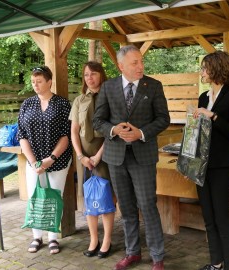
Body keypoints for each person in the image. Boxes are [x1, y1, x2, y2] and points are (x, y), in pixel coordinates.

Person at [93, 45, 170, 270]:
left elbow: (163, 118)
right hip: (116, 157)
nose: (140, 66)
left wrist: (141, 133)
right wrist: (114, 130)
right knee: (126, 208)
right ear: (121, 66)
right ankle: (132, 252)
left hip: (143, 156)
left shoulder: (153, 86)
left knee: (147, 205)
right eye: (135, 63)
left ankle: (157, 257)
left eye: (141, 61)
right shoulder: (108, 87)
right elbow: (98, 121)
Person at [192, 51, 229, 270]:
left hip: (222, 165)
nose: (202, 72)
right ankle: (216, 263)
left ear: (216, 68)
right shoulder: (203, 96)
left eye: (205, 68)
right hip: (201, 165)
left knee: (222, 218)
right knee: (208, 217)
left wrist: (213, 116)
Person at [17, 66, 73, 255]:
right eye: (33, 82)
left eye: (39, 81)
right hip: (33, 162)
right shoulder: (27, 104)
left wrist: (51, 158)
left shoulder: (63, 104)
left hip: (57, 161)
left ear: (49, 82)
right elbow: (22, 135)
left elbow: (66, 135)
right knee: (35, 197)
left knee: (54, 197)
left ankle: (53, 238)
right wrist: (33, 162)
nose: (36, 85)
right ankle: (37, 236)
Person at [69, 61, 115, 258]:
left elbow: (112, 132)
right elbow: (73, 131)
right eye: (86, 74)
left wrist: (98, 156)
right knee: (89, 197)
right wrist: (81, 156)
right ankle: (93, 238)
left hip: (105, 154)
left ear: (101, 75)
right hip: (84, 156)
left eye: (93, 74)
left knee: (106, 196)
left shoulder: (110, 99)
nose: (89, 77)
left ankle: (107, 240)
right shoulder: (79, 100)